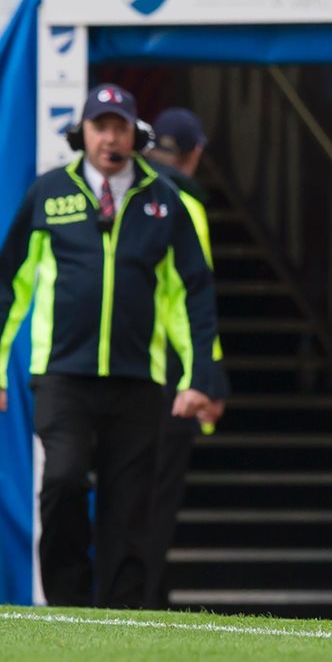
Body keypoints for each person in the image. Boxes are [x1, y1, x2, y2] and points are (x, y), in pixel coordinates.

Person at [0, 83, 218, 608]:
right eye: (100, 126)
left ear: (137, 136)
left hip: (139, 378)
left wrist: (199, 375)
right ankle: (66, 603)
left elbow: (192, 295)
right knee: (64, 480)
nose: (110, 139)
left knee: (130, 503)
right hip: (63, 374)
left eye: (121, 128)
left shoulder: (165, 200)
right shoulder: (48, 193)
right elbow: (8, 284)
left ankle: (123, 615)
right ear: (82, 133)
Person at [141, 107, 229, 609]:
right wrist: (207, 377)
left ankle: (126, 592)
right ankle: (144, 596)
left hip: (104, 361)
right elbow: (194, 300)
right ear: (195, 153)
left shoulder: (125, 188)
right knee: (156, 494)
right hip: (169, 369)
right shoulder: (183, 203)